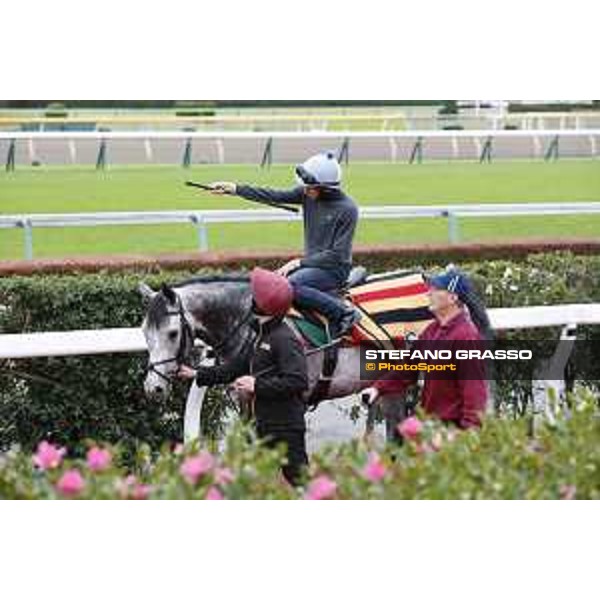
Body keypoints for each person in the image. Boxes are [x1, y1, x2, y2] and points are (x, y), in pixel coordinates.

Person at [205, 152, 361, 340]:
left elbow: (338, 255)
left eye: (309, 187)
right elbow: (272, 194)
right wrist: (235, 189)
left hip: (333, 270)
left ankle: (344, 313)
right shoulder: (308, 194)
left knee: (288, 287)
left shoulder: (347, 209)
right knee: (272, 284)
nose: (304, 190)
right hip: (311, 266)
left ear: (326, 189)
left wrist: (299, 262)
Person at [177, 267, 309, 486]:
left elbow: (297, 381)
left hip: (286, 427)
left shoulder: (285, 339)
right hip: (263, 424)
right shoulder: (260, 336)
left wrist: (257, 385)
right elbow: (233, 368)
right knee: (258, 483)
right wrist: (196, 374)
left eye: (254, 298)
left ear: (263, 307)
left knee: (299, 482)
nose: (249, 301)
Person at [362, 268, 491, 430]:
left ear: (453, 298)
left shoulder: (467, 338)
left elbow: (475, 394)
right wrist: (377, 388)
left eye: (436, 289)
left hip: (453, 431)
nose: (428, 294)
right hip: (430, 426)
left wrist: (468, 436)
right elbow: (407, 369)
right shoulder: (432, 330)